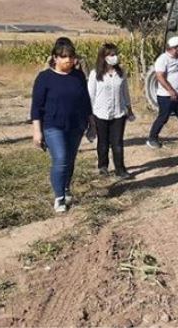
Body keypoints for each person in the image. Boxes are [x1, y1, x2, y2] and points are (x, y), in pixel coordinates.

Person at [31, 37, 92, 213]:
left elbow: (85, 100)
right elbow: (36, 106)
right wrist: (37, 131)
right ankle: (59, 198)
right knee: (61, 159)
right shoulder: (45, 78)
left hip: (76, 125)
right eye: (64, 57)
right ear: (55, 58)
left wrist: (91, 122)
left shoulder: (78, 76)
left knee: (70, 160)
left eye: (71, 57)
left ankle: (66, 188)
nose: (68, 60)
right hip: (53, 125)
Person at [88, 43, 133, 180]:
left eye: (116, 54)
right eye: (111, 55)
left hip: (118, 113)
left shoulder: (121, 73)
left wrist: (129, 108)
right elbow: (91, 95)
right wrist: (90, 116)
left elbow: (125, 92)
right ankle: (103, 166)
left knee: (117, 143)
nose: (115, 57)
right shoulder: (95, 74)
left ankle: (120, 169)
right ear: (104, 57)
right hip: (100, 113)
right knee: (103, 142)